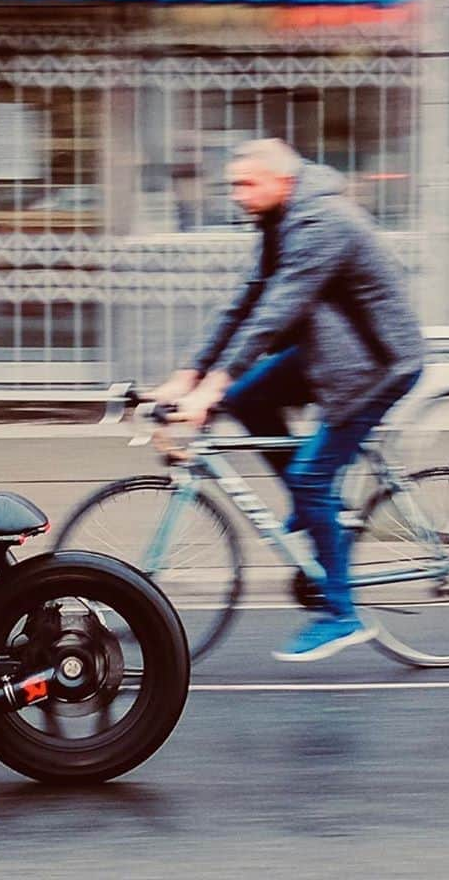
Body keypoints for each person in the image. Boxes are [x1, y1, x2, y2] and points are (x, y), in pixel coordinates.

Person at [153, 138, 424, 661]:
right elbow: (242, 302)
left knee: (309, 476)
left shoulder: (323, 222)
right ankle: (321, 509)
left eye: (247, 183)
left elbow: (276, 311)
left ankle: (341, 615)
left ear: (283, 181)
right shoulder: (279, 221)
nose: (237, 194)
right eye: (233, 184)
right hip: (331, 351)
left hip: (379, 364)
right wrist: (185, 377)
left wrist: (212, 384)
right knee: (245, 400)